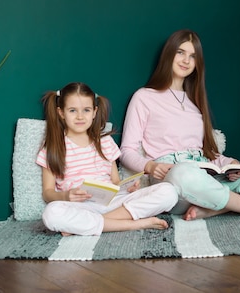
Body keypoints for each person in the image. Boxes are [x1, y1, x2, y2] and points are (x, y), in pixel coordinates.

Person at [120, 29, 240, 220]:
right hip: (175, 180)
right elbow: (127, 150)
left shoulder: (194, 102)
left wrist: (231, 164)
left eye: (193, 56)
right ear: (169, 54)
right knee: (183, 172)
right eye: (180, 52)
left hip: (209, 178)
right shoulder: (144, 97)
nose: (186, 60)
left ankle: (214, 208)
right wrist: (150, 166)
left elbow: (206, 153)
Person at [37, 82, 178, 236]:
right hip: (79, 206)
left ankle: (87, 225)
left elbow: (116, 183)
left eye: (86, 110)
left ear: (94, 112)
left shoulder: (105, 142)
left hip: (114, 203)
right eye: (72, 110)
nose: (80, 116)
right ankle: (132, 224)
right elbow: (48, 193)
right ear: (61, 113)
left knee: (169, 192)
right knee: (51, 213)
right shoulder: (53, 146)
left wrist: (128, 187)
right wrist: (66, 195)